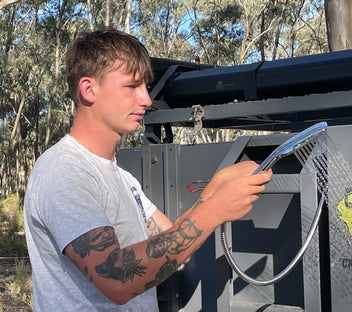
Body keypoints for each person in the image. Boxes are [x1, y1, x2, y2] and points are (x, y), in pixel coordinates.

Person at [23, 27, 272, 311]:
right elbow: (116, 279)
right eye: (132, 86)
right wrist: (214, 210)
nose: (146, 99)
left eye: (145, 86)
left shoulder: (122, 177)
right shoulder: (63, 171)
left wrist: (212, 194)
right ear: (89, 89)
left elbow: (172, 244)